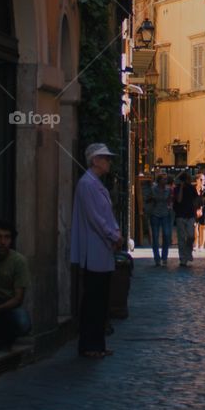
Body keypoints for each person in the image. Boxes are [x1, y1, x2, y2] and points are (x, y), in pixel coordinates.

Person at [70, 142, 123, 357]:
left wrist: (115, 234)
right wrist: (112, 235)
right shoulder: (87, 184)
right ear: (95, 161)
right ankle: (89, 345)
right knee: (94, 298)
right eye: (105, 158)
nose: (109, 161)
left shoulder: (94, 184)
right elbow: (95, 218)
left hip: (102, 249)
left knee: (100, 299)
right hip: (95, 249)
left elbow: (105, 216)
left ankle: (97, 344)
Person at [0, 220, 31, 347]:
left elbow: (18, 299)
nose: (3, 242)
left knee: (23, 323)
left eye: (7, 237)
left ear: (12, 240)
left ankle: (1, 334)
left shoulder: (19, 261)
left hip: (6, 305)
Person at [146, 171, 173, 266]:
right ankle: (157, 258)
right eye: (164, 179)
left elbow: (170, 200)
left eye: (166, 179)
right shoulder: (153, 189)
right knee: (155, 236)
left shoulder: (168, 189)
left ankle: (164, 257)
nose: (166, 180)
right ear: (159, 180)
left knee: (166, 235)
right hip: (155, 214)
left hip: (165, 213)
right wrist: (152, 199)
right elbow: (147, 199)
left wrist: (170, 206)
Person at [172, 171, 199, 266]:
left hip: (190, 214)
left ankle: (188, 251)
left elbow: (196, 201)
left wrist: (196, 212)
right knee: (181, 238)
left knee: (191, 236)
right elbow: (179, 200)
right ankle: (182, 258)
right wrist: (181, 188)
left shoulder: (192, 188)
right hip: (180, 215)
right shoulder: (177, 189)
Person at [194, 172, 205, 250]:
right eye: (201, 179)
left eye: (204, 179)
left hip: (204, 210)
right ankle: (196, 243)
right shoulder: (193, 189)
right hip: (194, 210)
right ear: (197, 180)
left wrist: (201, 209)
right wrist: (196, 209)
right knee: (195, 226)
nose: (203, 181)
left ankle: (201, 245)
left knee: (202, 227)